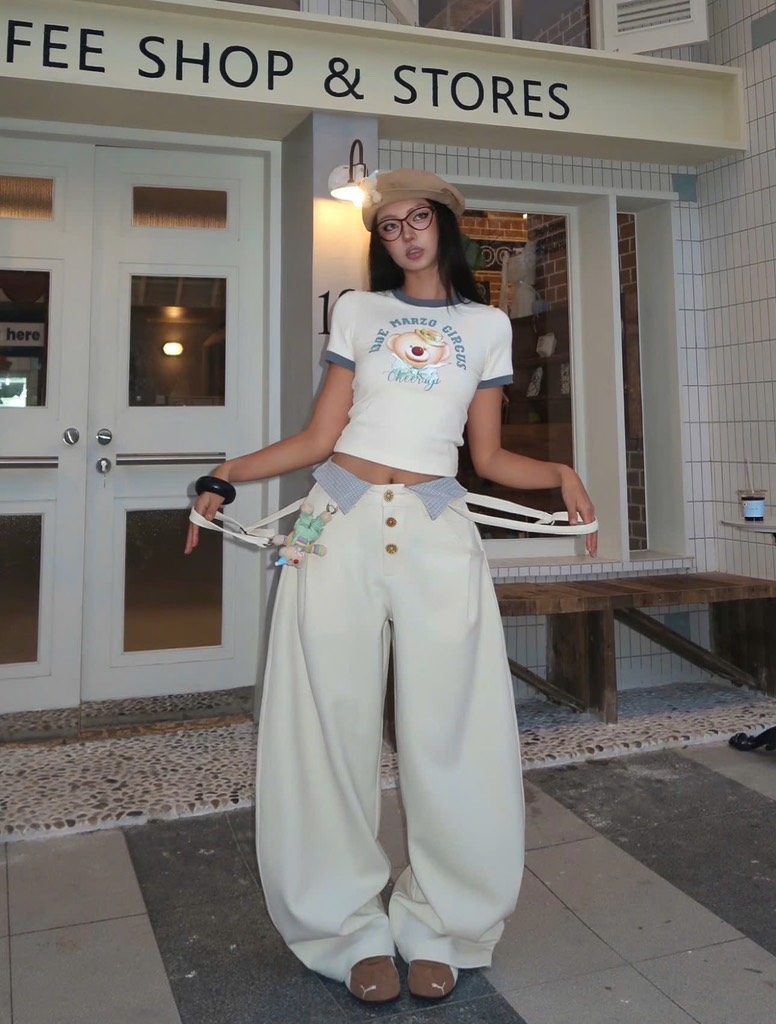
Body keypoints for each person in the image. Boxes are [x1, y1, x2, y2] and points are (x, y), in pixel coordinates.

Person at [186, 168, 597, 1004]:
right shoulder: (360, 312)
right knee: (324, 725)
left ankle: (445, 921)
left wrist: (559, 473)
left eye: (419, 220)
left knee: (453, 728)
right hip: (335, 520)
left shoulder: (487, 325)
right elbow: (317, 438)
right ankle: (343, 929)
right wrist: (225, 474)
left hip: (437, 526)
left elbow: (487, 458)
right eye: (390, 226)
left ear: (446, 226)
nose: (406, 236)